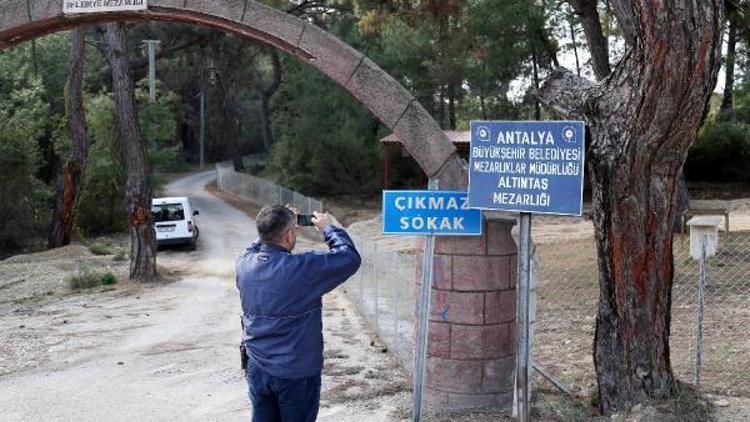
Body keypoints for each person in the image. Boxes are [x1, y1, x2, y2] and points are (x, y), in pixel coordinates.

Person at [236, 205, 361, 422]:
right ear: (289, 235)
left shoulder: (244, 264)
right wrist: (327, 229)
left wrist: (273, 225)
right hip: (295, 372)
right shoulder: (302, 268)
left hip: (256, 365)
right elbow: (349, 257)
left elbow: (257, 246)